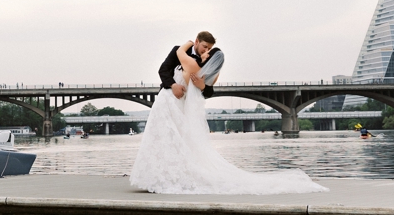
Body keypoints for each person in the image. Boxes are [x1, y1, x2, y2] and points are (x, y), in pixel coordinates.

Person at [130, 33, 324, 195]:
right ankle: (159, 174)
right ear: (197, 42)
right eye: (204, 47)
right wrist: (172, 84)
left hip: (180, 106)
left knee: (175, 140)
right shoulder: (178, 51)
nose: (205, 51)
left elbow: (207, 91)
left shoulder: (194, 61)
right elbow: (163, 70)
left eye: (209, 50)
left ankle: (168, 176)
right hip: (167, 99)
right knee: (160, 138)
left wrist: (201, 81)